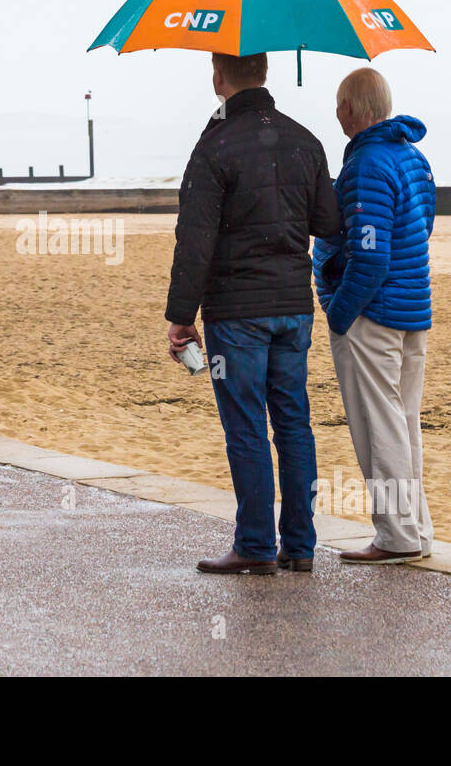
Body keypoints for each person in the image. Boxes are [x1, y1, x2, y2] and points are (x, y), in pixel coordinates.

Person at [166, 53, 341, 574]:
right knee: (293, 424)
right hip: (292, 308)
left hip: (237, 311)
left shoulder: (214, 146)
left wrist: (181, 317)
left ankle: (256, 546)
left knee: (246, 426)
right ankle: (300, 546)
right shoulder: (305, 141)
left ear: (219, 77)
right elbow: (327, 222)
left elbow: (194, 239)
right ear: (264, 74)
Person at [313, 68, 436, 564]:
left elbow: (370, 256)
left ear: (352, 108)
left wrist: (339, 313)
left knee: (379, 426)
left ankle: (396, 536)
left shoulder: (365, 165)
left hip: (374, 313)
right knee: (404, 421)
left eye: (339, 104)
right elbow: (422, 226)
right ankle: (416, 530)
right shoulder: (414, 156)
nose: (336, 113)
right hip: (412, 308)